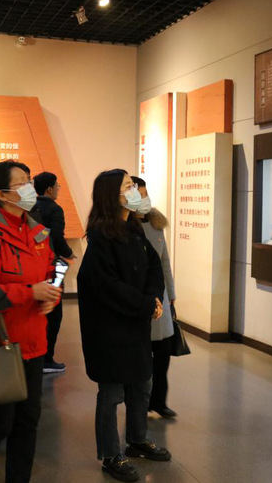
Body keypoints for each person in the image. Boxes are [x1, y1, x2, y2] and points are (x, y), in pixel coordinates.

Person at [0, 160, 61, 483]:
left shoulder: (38, 230)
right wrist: (29, 292)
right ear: (2, 195)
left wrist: (52, 293)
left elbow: (52, 271)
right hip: (0, 342)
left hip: (34, 341)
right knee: (0, 420)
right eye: (21, 183)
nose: (29, 188)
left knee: (28, 420)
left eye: (29, 181)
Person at [77, 169, 170, 483]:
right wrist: (144, 304)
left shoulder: (134, 229)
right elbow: (106, 285)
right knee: (112, 392)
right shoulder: (101, 235)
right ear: (112, 195)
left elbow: (153, 267)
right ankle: (110, 455)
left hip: (136, 323)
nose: (135, 191)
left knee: (142, 384)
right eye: (129, 186)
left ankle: (137, 439)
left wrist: (153, 298)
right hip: (110, 329)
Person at [130, 177, 178, 419]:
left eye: (145, 194)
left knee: (163, 352)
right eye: (139, 194)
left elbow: (164, 261)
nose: (144, 199)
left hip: (162, 298)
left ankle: (159, 401)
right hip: (139, 299)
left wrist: (172, 295)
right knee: (141, 357)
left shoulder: (156, 224)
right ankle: (141, 403)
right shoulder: (125, 228)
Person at [31, 171, 75, 374]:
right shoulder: (55, 209)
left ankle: (37, 355)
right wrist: (68, 253)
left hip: (34, 265)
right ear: (49, 189)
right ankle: (47, 358)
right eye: (57, 186)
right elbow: (56, 236)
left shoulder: (31, 207)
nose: (58, 189)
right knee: (54, 312)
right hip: (53, 264)